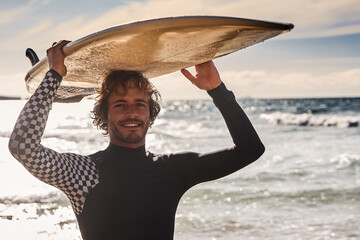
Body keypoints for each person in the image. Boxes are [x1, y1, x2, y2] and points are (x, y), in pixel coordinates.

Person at [9, 40, 265, 240]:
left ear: (150, 113)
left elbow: (250, 149)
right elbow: (23, 146)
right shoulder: (82, 173)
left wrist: (217, 89)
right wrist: (54, 76)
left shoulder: (171, 170)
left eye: (140, 104)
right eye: (120, 104)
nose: (131, 112)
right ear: (104, 114)